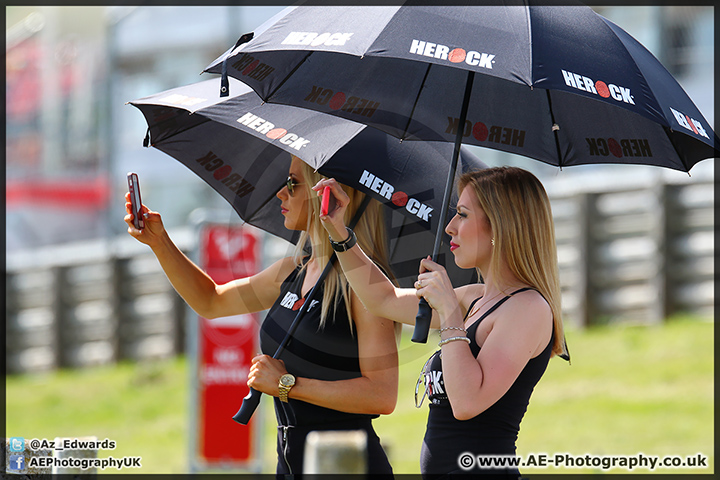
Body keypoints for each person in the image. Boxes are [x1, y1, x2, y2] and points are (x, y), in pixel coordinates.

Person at [125, 156, 398, 477]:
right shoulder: (291, 271)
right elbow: (211, 301)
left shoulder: (364, 285)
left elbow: (381, 395)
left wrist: (287, 385)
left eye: (293, 183)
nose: (281, 193)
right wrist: (159, 242)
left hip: (345, 465)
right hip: (291, 460)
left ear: (325, 192)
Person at [314, 166, 570, 478]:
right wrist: (339, 231)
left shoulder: (527, 308)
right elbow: (382, 299)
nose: (449, 227)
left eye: (462, 215)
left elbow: (467, 402)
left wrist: (449, 311)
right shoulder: (474, 297)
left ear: (501, 226)